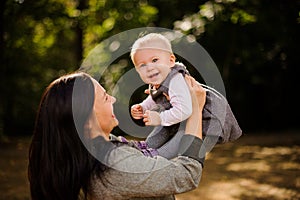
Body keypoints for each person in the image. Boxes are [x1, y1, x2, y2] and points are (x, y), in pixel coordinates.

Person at [28, 71, 207, 200]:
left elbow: (147, 153)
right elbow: (187, 174)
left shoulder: (94, 151)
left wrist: (165, 110)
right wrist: (195, 110)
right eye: (105, 97)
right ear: (87, 121)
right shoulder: (115, 165)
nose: (113, 99)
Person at [130, 33, 242, 158]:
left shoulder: (175, 80)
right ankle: (148, 146)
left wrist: (160, 118)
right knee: (163, 127)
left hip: (206, 120)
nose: (149, 67)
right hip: (183, 116)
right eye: (142, 65)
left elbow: (185, 111)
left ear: (171, 61)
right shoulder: (160, 80)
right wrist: (143, 107)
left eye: (155, 60)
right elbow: (155, 97)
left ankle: (158, 155)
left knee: (180, 136)